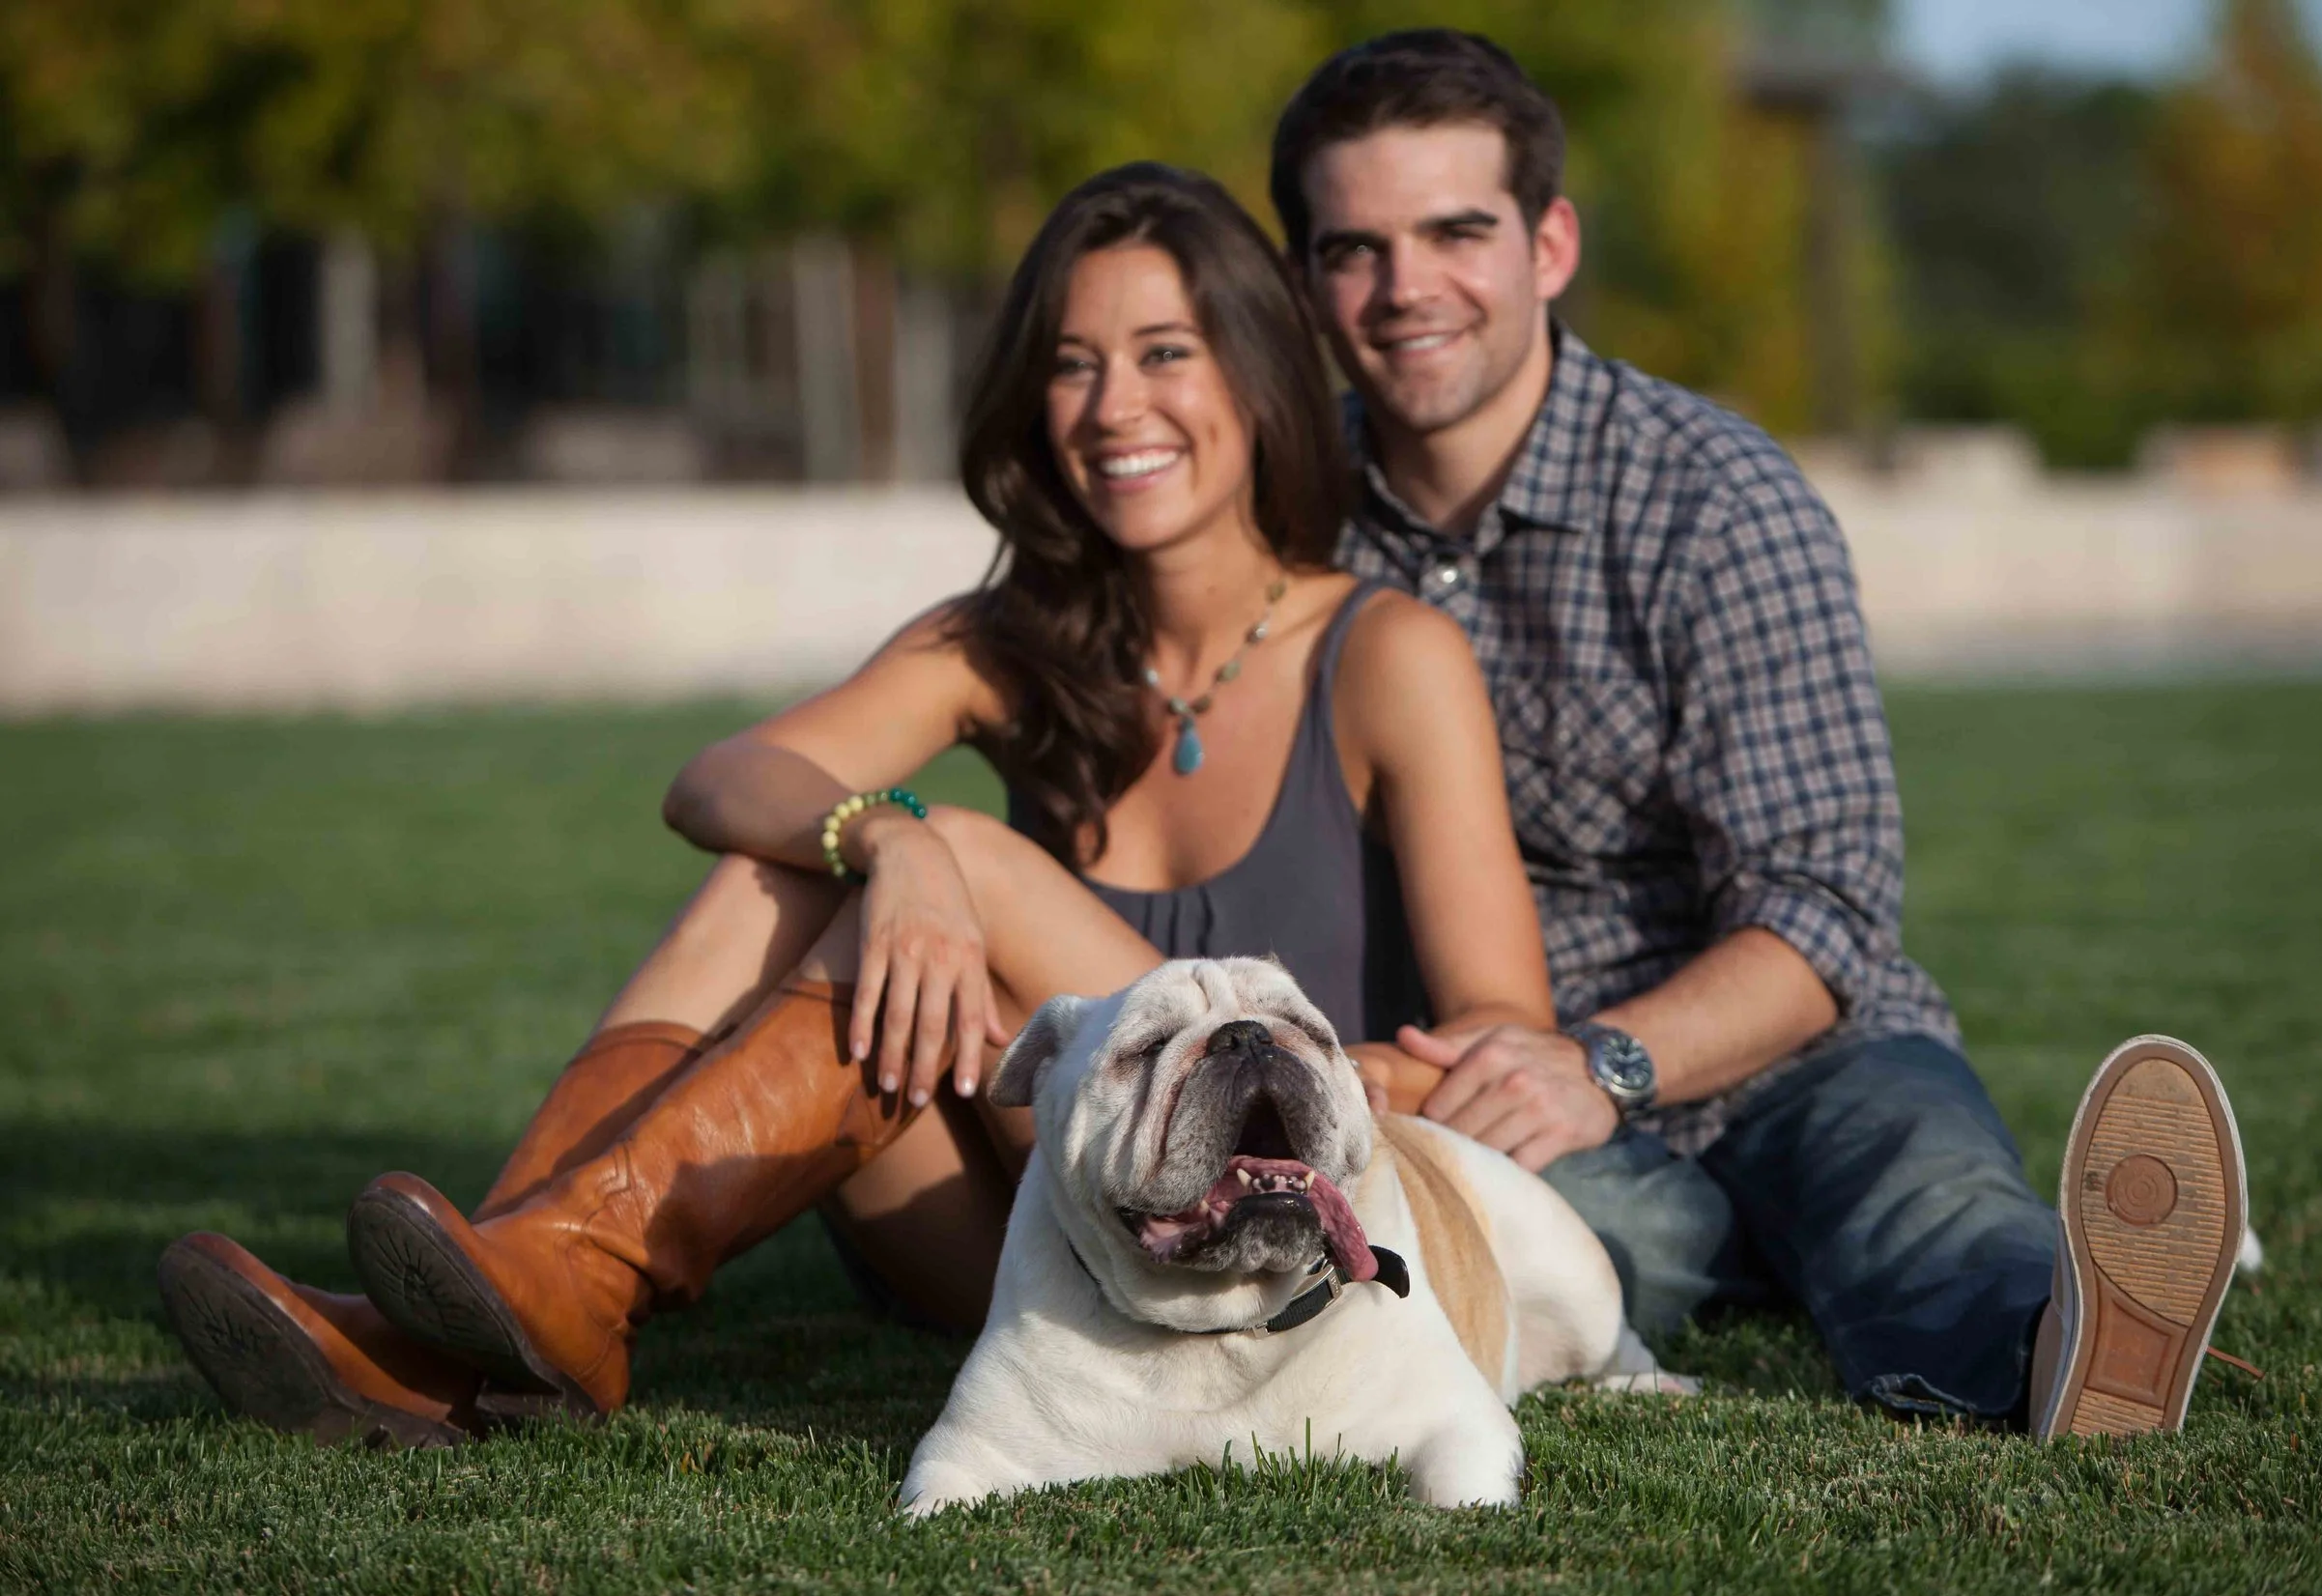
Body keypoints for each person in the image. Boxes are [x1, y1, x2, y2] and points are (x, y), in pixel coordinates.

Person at [156, 163, 1552, 1444]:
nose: (1114, 406)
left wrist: (1301, 1074)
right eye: (1071, 365)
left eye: (1164, 354)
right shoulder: (1010, 637)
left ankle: (516, 1300)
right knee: (794, 867)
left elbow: (1505, 1033)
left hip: (1261, 1212)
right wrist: (884, 837)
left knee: (971, 863)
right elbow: (718, 779)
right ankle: (523, 1280)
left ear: (1258, 376)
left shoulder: (1384, 654)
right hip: (1033, 1226)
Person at [1274, 29, 2249, 1437]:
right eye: (1354, 248)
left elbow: (1828, 900)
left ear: (1550, 245)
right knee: (1550, 1252)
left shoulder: (1715, 500)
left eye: (1455, 231)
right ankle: (1722, 1260)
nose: (1405, 286)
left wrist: (1602, 1061)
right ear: (1305, 280)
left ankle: (2068, 1349)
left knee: (1923, 1198)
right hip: (1492, 1081)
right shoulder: (1291, 523)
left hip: (1796, 1057)